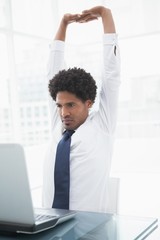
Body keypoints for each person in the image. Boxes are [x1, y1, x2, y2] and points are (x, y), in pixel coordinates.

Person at [42, 6, 121, 213]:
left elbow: (111, 75)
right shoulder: (58, 125)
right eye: (59, 105)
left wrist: (105, 14)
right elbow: (53, 70)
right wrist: (64, 23)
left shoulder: (102, 125)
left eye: (71, 105)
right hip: (50, 227)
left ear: (88, 103)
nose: (63, 113)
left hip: (91, 230)